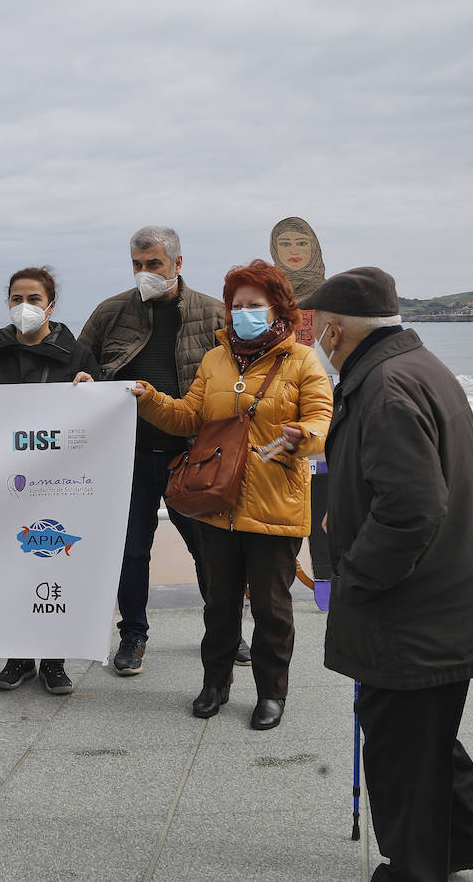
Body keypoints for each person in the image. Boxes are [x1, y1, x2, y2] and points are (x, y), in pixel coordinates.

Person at [306, 267, 473, 879]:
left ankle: (416, 868)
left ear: (336, 329)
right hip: (440, 602)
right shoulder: (413, 367)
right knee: (425, 738)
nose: (316, 334)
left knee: (402, 750)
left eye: (319, 324)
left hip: (411, 611)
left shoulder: (385, 386)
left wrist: (355, 575)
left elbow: (412, 508)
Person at [128, 260, 332, 730]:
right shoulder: (215, 360)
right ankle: (214, 684)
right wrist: (149, 398)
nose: (243, 312)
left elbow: (323, 419)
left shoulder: (301, 360)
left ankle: (271, 694)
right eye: (237, 305)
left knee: (272, 608)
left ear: (277, 307)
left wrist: (305, 434)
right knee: (219, 604)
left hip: (275, 503)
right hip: (217, 504)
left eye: (253, 305)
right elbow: (188, 417)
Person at [77, 226, 229, 677]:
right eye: (137, 265)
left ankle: (224, 631)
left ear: (178, 264)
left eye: (154, 264)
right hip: (127, 455)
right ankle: (133, 635)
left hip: (193, 454)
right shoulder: (111, 312)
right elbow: (78, 366)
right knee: (131, 552)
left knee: (209, 550)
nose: (145, 273)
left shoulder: (214, 314)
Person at [0, 267, 101, 694]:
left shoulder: (77, 351)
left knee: (57, 563)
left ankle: (54, 659)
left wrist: (93, 387)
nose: (24, 307)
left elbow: (102, 404)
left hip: (60, 479)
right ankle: (18, 656)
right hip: (7, 478)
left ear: (51, 303)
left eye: (34, 298)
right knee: (11, 563)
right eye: (16, 298)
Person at [270, 216, 334, 591]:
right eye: (285, 244)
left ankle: (327, 586)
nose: (294, 252)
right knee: (275, 514)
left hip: (325, 424)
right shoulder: (265, 299)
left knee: (326, 514)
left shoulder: (333, 297)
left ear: (315, 248)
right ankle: (269, 589)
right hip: (275, 426)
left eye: (301, 243)